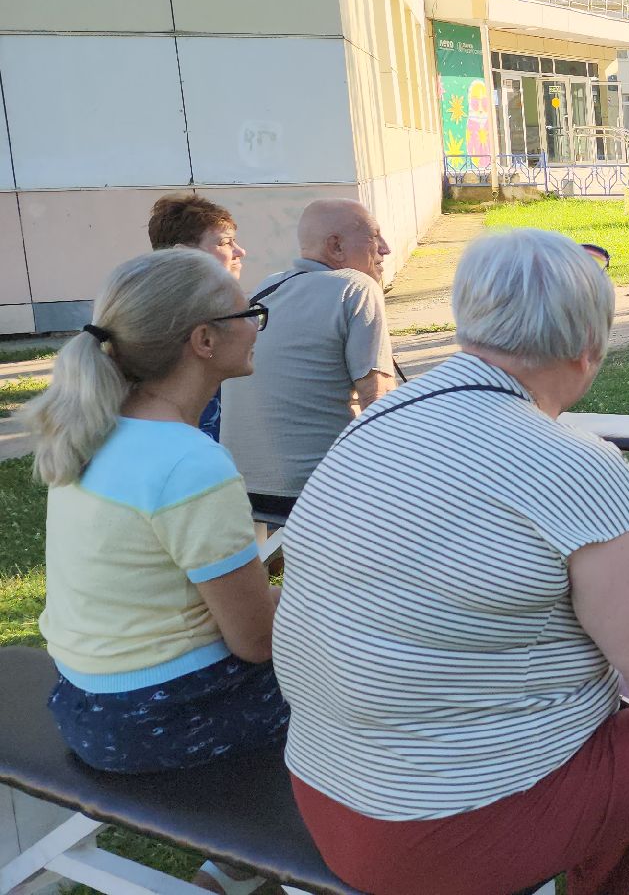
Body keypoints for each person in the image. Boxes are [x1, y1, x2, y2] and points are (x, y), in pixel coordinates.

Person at [273, 230, 629, 895]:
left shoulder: (374, 426)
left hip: (328, 791)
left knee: (626, 742)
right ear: (589, 349)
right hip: (443, 832)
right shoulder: (573, 465)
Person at [22, 250, 283, 895]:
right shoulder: (188, 462)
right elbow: (255, 642)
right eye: (249, 312)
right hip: (158, 721)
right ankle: (323, 855)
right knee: (377, 681)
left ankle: (238, 867)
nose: (257, 323)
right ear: (204, 341)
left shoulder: (93, 430)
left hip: (85, 704)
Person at [218, 199, 394, 516]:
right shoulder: (357, 287)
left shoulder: (266, 287)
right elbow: (377, 401)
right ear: (336, 246)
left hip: (241, 491)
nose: (386, 249)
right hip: (316, 492)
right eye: (374, 236)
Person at [147, 193, 247, 440]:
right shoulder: (168, 320)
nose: (240, 251)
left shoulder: (216, 309)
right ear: (183, 254)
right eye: (225, 242)